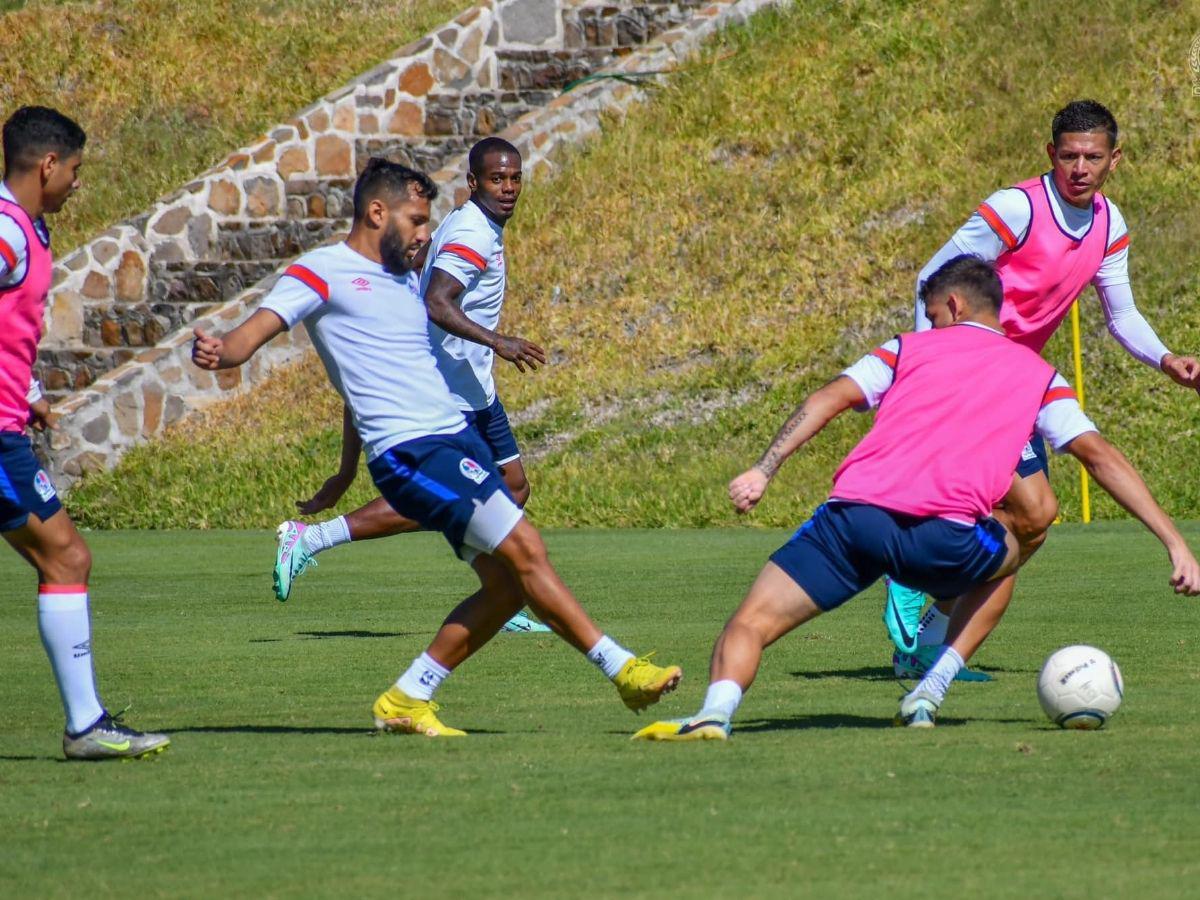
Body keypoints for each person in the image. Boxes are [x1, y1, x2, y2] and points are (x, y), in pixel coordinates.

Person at [192, 158, 682, 736]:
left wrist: (345, 471)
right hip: (413, 453)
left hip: (454, 438)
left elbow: (374, 378)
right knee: (526, 547)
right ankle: (622, 670)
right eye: (417, 219)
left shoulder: (405, 283)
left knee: (507, 585)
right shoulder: (319, 272)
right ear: (378, 213)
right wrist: (220, 351)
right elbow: (250, 338)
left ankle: (407, 698)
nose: (427, 233)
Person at [632, 256, 1199, 740]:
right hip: (943, 540)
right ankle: (928, 690)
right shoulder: (1038, 375)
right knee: (1019, 542)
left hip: (851, 523)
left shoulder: (904, 350)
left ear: (952, 305)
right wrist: (1174, 542)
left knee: (750, 622)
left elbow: (829, 397)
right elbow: (1098, 456)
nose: (928, 324)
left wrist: (764, 467)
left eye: (931, 314)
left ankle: (713, 714)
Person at [883, 99, 1200, 680]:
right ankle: (912, 574)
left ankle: (926, 634)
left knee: (1033, 520)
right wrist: (934, 366)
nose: (1080, 167)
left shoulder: (1110, 225)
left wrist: (1166, 359)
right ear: (1050, 154)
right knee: (1023, 505)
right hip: (970, 370)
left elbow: (1122, 314)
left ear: (1114, 160)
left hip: (1019, 378)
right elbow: (934, 280)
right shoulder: (1017, 207)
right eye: (1070, 155)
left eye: (1093, 157)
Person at [272, 138, 550, 633]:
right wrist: (499, 340)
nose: (508, 188)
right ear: (473, 183)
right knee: (454, 496)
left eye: (514, 179)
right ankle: (311, 539)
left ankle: (501, 597)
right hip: (449, 388)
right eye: (496, 179)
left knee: (512, 488)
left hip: (473, 384)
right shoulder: (472, 232)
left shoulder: (473, 226)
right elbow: (438, 302)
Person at [0, 106, 169, 760]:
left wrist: (31, 392)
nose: (77, 182)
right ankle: (85, 726)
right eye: (75, 170)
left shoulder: (28, 229)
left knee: (65, 558)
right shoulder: (10, 232)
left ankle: (86, 724)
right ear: (47, 165)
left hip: (11, 422)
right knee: (66, 558)